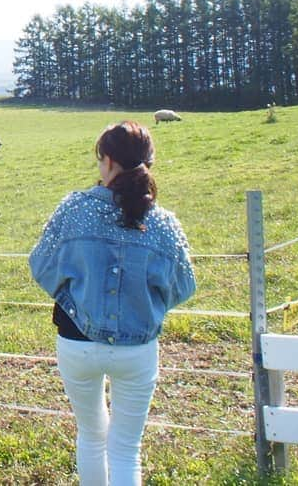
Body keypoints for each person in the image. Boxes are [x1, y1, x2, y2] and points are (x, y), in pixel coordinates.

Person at [29, 121, 196, 485]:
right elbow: (184, 285)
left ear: (106, 160)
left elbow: (40, 265)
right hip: (137, 349)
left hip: (76, 342)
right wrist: (144, 309)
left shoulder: (73, 208)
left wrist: (74, 299)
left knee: (91, 435)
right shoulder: (164, 223)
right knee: (125, 448)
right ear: (149, 162)